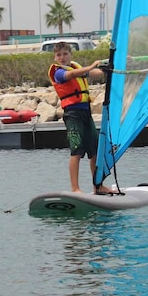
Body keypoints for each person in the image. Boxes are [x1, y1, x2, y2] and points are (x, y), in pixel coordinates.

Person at [48, 41, 113, 195]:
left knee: (95, 151)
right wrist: (91, 66)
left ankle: (98, 186)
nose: (62, 57)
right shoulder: (59, 72)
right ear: (55, 57)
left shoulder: (77, 67)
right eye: (59, 55)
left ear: (71, 54)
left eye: (65, 54)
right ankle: (75, 188)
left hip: (86, 114)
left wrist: (112, 67)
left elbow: (95, 73)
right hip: (72, 115)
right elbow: (71, 75)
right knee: (76, 151)